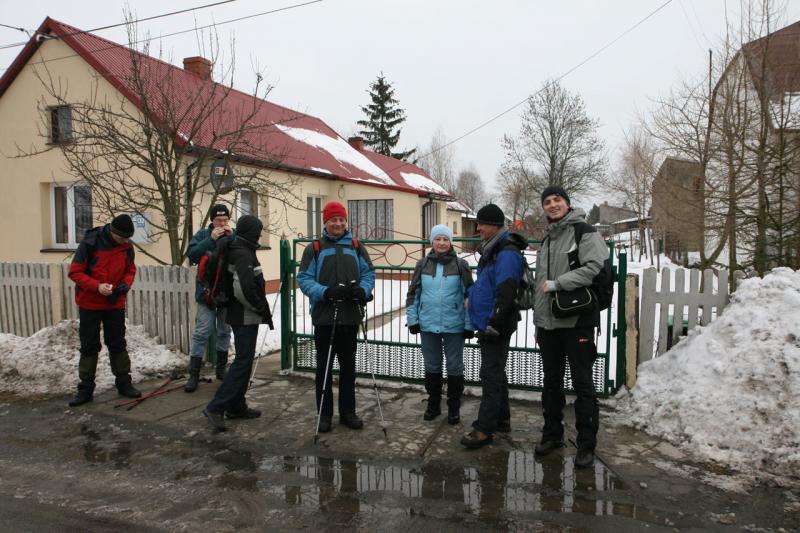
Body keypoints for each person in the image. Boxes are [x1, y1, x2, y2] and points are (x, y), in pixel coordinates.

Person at [533, 185, 608, 468]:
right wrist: (538, 321)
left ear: (567, 203)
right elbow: (540, 284)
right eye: (547, 202)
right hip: (549, 325)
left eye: (557, 200)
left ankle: (586, 444)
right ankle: (552, 434)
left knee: (582, 383)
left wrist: (559, 284)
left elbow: (595, 268)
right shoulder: (546, 239)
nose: (552, 205)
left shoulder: (584, 232)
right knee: (551, 382)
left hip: (577, 321)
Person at [297, 201, 376, 433]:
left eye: (341, 219)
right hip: (324, 317)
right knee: (324, 369)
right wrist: (325, 292)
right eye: (333, 220)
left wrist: (363, 290)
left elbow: (369, 273)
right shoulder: (314, 248)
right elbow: (304, 279)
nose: (338, 224)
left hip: (350, 316)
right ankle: (324, 414)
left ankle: (348, 412)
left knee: (348, 369)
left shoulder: (357, 246)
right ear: (326, 222)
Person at [461, 204, 526, 448]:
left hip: (496, 323)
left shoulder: (506, 253)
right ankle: (502, 419)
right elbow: (487, 284)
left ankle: (484, 429)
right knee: (497, 372)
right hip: (490, 320)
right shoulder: (494, 248)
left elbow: (506, 291)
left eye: (482, 224)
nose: (478, 228)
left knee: (490, 375)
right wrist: (471, 295)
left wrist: (494, 323)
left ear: (496, 225)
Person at [203, 214, 274, 431]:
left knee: (245, 360)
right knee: (242, 362)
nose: (259, 236)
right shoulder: (243, 253)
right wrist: (260, 308)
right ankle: (216, 407)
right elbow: (243, 288)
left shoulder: (238, 248)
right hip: (244, 315)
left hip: (240, 313)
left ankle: (236, 406)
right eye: (258, 232)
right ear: (252, 233)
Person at [67, 214, 140, 406]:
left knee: (117, 343)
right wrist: (97, 286)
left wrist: (124, 285)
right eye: (123, 238)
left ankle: (124, 383)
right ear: (113, 232)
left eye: (128, 238)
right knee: (89, 345)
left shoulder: (127, 247)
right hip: (90, 303)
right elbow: (75, 272)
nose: (126, 241)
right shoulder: (90, 243)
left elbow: (130, 270)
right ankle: (85, 389)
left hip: (114, 303)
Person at [406, 224, 474, 424]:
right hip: (428, 324)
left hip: (454, 325)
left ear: (451, 242)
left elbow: (469, 297)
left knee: (454, 366)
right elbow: (413, 294)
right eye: (438, 239)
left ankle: (454, 407)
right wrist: (413, 320)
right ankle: (433, 404)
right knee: (432, 365)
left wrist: (468, 325)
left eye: (446, 239)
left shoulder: (461, 265)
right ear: (432, 241)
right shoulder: (422, 264)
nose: (442, 243)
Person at [184, 204, 234, 393]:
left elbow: (243, 252)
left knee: (224, 331)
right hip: (206, 293)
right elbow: (192, 254)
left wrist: (233, 237)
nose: (222, 224)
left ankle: (221, 369)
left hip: (226, 293)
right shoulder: (203, 235)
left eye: (225, 220)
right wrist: (210, 240)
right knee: (202, 331)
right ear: (212, 221)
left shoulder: (232, 235)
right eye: (218, 220)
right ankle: (194, 374)